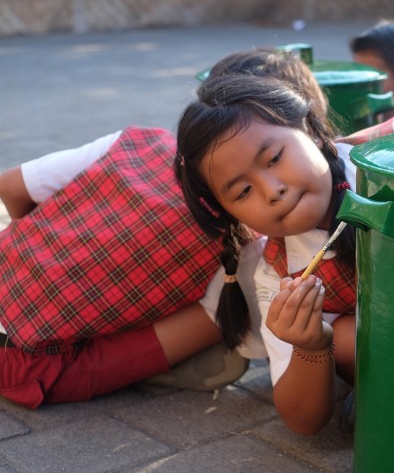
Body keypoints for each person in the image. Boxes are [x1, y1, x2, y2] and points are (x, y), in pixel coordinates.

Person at [0, 48, 324, 409]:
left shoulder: (137, 140)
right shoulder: (251, 247)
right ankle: (163, 364)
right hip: (25, 366)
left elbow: (11, 187)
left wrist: (41, 258)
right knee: (229, 313)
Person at [175, 71, 357, 436]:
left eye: (274, 158)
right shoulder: (281, 277)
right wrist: (310, 346)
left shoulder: (390, 165)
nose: (271, 190)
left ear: (311, 130)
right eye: (242, 192)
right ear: (232, 216)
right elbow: (302, 420)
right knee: (346, 338)